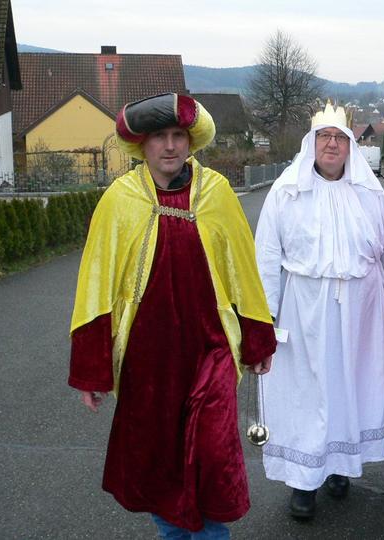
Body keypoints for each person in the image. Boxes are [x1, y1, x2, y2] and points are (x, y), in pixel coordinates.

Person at [68, 92, 276, 539]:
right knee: (161, 466)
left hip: (211, 352)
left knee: (211, 459)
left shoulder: (217, 194)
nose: (169, 146)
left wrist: (258, 341)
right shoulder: (119, 200)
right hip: (149, 361)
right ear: (141, 145)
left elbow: (243, 271)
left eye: (177, 135)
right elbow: (96, 286)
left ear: (190, 140)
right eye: (158, 136)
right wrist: (92, 370)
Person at [253, 102, 384, 519]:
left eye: (340, 138)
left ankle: (340, 466)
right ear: (312, 143)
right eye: (325, 137)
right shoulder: (286, 191)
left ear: (350, 146)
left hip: (363, 310)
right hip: (306, 311)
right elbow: (266, 254)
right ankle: (304, 482)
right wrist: (262, 317)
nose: (332, 144)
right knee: (309, 394)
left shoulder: (370, 193)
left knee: (350, 388)